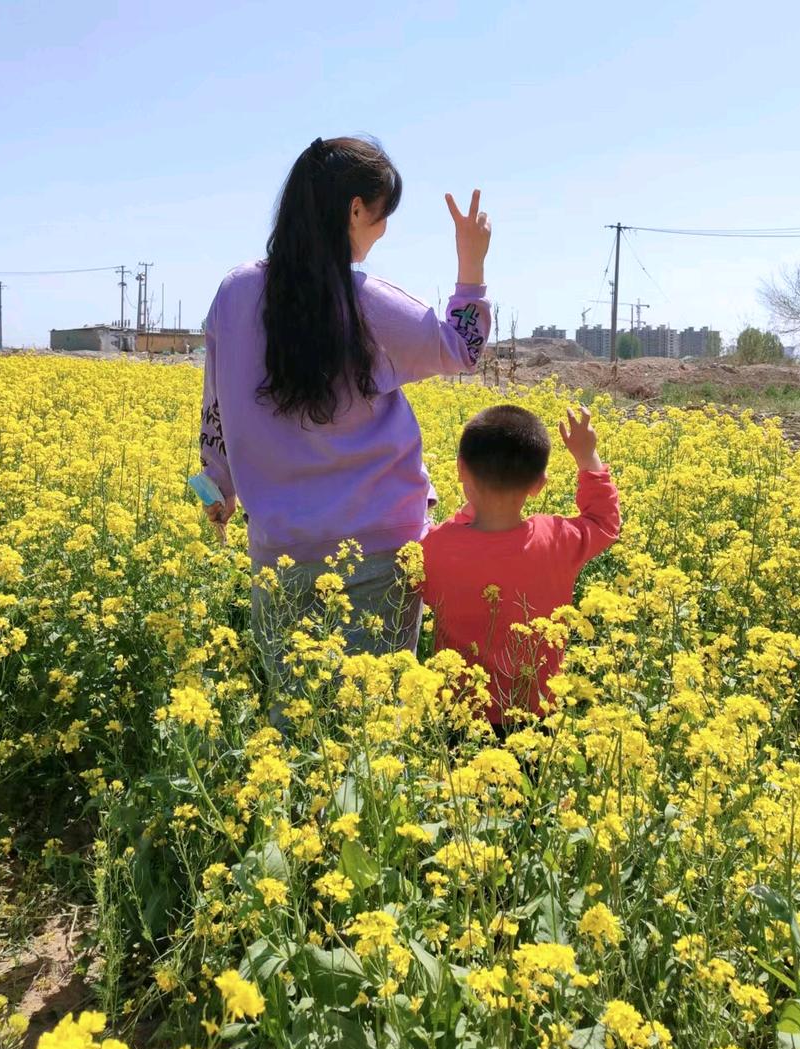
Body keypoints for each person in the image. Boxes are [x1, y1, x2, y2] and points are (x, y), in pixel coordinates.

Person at [197, 135, 492, 678]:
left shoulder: (234, 292)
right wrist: (470, 266)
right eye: (381, 216)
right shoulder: (367, 301)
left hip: (280, 552)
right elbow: (462, 350)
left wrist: (214, 490)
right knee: (370, 735)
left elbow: (215, 406)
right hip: (379, 552)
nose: (382, 231)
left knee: (293, 724)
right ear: (354, 209)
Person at [419, 404, 620, 728]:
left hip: (457, 713)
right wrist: (587, 457)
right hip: (537, 715)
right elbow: (604, 522)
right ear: (539, 484)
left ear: (460, 469)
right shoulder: (556, 539)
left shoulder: (435, 548)